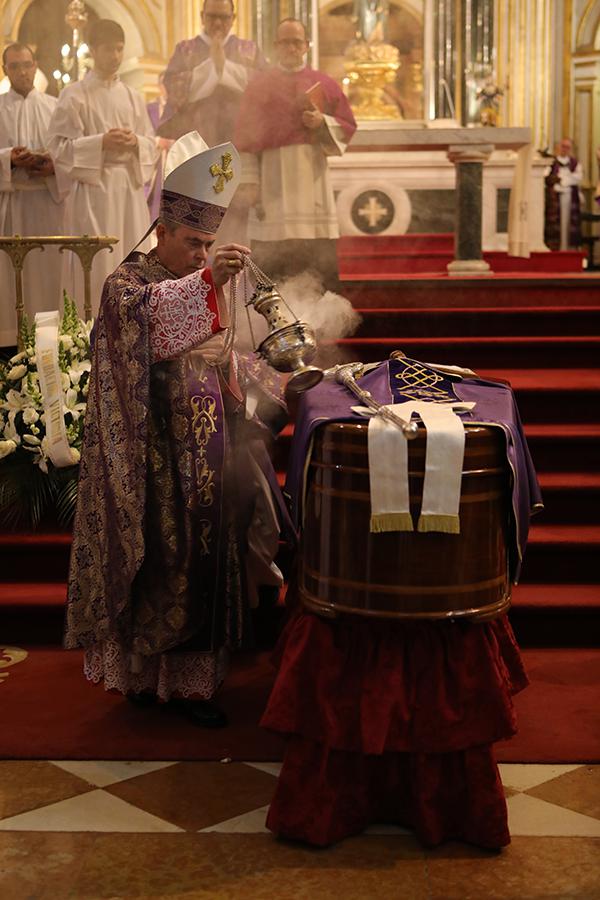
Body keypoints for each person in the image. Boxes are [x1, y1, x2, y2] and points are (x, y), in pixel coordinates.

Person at [64, 132, 288, 728]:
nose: (200, 254)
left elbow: (220, 354)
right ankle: (142, 680)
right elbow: (152, 325)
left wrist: (274, 383)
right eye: (193, 242)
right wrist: (208, 281)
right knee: (159, 566)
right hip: (151, 464)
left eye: (208, 245)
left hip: (209, 456)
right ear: (162, 230)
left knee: (204, 565)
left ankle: (191, 688)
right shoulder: (126, 285)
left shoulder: (200, 279)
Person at [234, 18, 357, 287]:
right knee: (272, 260)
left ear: (306, 46)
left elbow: (348, 126)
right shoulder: (260, 85)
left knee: (315, 255)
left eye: (296, 42)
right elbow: (245, 137)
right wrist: (250, 183)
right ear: (276, 46)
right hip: (271, 182)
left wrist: (322, 123)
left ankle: (320, 320)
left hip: (312, 183)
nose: (291, 48)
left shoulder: (324, 83)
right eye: (285, 42)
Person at [47, 19, 158, 316]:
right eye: (110, 49)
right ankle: (90, 333)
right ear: (94, 50)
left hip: (129, 194)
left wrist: (136, 142)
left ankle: (135, 331)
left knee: (132, 260)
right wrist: (100, 143)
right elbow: (58, 150)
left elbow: (151, 144)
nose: (116, 56)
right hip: (93, 194)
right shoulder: (74, 95)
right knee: (97, 267)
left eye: (120, 49)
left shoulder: (134, 98)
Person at [0, 43, 64, 346]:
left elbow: (68, 154)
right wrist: (8, 158)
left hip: (47, 206)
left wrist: (52, 165)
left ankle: (51, 342)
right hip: (12, 205)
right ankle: (12, 344)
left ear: (35, 64)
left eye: (27, 65)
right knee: (13, 278)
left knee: (48, 274)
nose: (23, 72)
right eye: (15, 66)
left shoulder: (54, 106)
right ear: (5, 70)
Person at [158, 0, 266, 148]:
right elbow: (173, 85)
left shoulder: (250, 50)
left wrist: (225, 67)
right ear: (202, 17)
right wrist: (212, 67)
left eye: (223, 17)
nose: (217, 23)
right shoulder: (185, 50)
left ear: (233, 18)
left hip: (241, 139)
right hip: (197, 139)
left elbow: (265, 86)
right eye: (211, 17)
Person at [544, 137, 583, 251]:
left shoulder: (575, 163)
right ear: (558, 147)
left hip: (570, 197)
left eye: (567, 147)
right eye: (563, 146)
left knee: (568, 224)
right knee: (556, 226)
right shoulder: (551, 162)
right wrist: (561, 180)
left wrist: (562, 180)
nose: (565, 149)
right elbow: (546, 176)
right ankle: (555, 249)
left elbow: (578, 177)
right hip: (555, 199)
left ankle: (568, 249)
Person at [145, 71, 172, 221]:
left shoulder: (180, 107)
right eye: (164, 84)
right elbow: (143, 133)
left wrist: (173, 143)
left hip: (174, 157)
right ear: (159, 86)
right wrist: (157, 141)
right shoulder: (150, 108)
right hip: (156, 159)